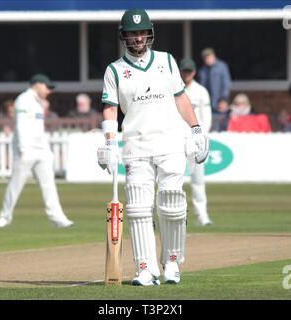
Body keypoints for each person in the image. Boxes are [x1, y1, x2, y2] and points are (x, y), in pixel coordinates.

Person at [97, 9, 209, 286]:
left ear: (150, 33)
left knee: (172, 201)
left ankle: (171, 262)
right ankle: (145, 268)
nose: (138, 38)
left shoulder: (167, 61)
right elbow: (110, 109)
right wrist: (110, 143)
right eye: (132, 34)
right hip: (135, 144)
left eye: (142, 33)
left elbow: (181, 98)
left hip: (170, 142)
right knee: (137, 207)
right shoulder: (114, 70)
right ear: (124, 37)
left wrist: (196, 129)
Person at [0, 74, 73, 228]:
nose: (49, 91)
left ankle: (58, 218)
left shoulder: (38, 103)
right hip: (26, 150)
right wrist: (23, 148)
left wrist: (46, 150)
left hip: (41, 151)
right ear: (38, 85)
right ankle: (4, 218)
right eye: (47, 87)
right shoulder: (23, 100)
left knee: (49, 185)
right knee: (15, 185)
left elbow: (38, 128)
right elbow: (21, 126)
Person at [179, 58, 212, 226]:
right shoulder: (174, 90)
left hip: (195, 141)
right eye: (184, 71)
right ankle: (177, 216)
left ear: (194, 72)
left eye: (189, 71)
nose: (186, 74)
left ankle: (202, 216)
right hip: (177, 140)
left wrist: (202, 137)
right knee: (174, 179)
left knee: (198, 181)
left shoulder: (201, 91)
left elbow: (206, 117)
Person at [197, 48, 232, 131]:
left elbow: (226, 83)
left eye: (208, 57)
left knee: (222, 124)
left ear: (213, 56)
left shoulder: (222, 66)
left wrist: (224, 99)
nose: (207, 60)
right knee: (208, 124)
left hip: (220, 102)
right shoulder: (202, 70)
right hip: (207, 102)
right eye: (205, 58)